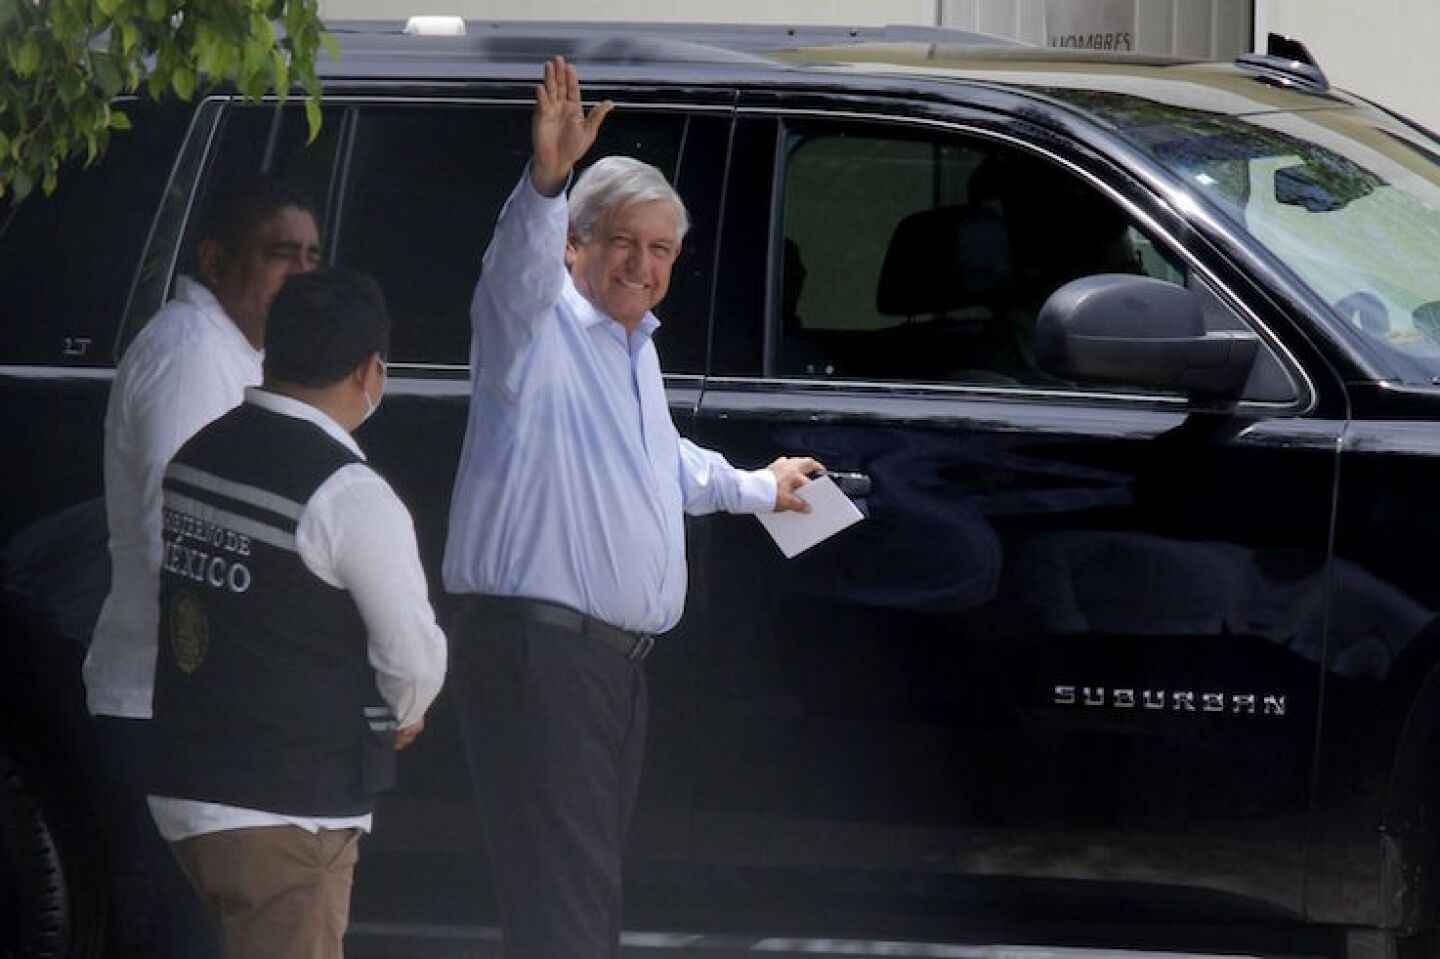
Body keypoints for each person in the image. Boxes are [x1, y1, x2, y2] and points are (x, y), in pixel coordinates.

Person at [442, 57, 821, 959]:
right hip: (544, 658)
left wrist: (757, 487)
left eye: (659, 250)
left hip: (607, 669)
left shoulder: (631, 346)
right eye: (620, 241)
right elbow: (513, 274)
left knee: (577, 898)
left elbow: (661, 462)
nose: (640, 265)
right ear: (574, 243)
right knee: (566, 914)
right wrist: (546, 180)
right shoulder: (533, 331)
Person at [146, 268, 448, 959]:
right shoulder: (348, 494)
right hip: (288, 814)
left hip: (186, 791)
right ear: (373, 371)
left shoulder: (198, 454)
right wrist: (403, 712)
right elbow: (414, 657)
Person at [83, 172, 321, 955]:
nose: (301, 275)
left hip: (204, 710)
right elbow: (180, 545)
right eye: (280, 255)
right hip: (167, 709)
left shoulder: (238, 352)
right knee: (177, 936)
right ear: (216, 259)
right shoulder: (190, 354)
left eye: (313, 258)